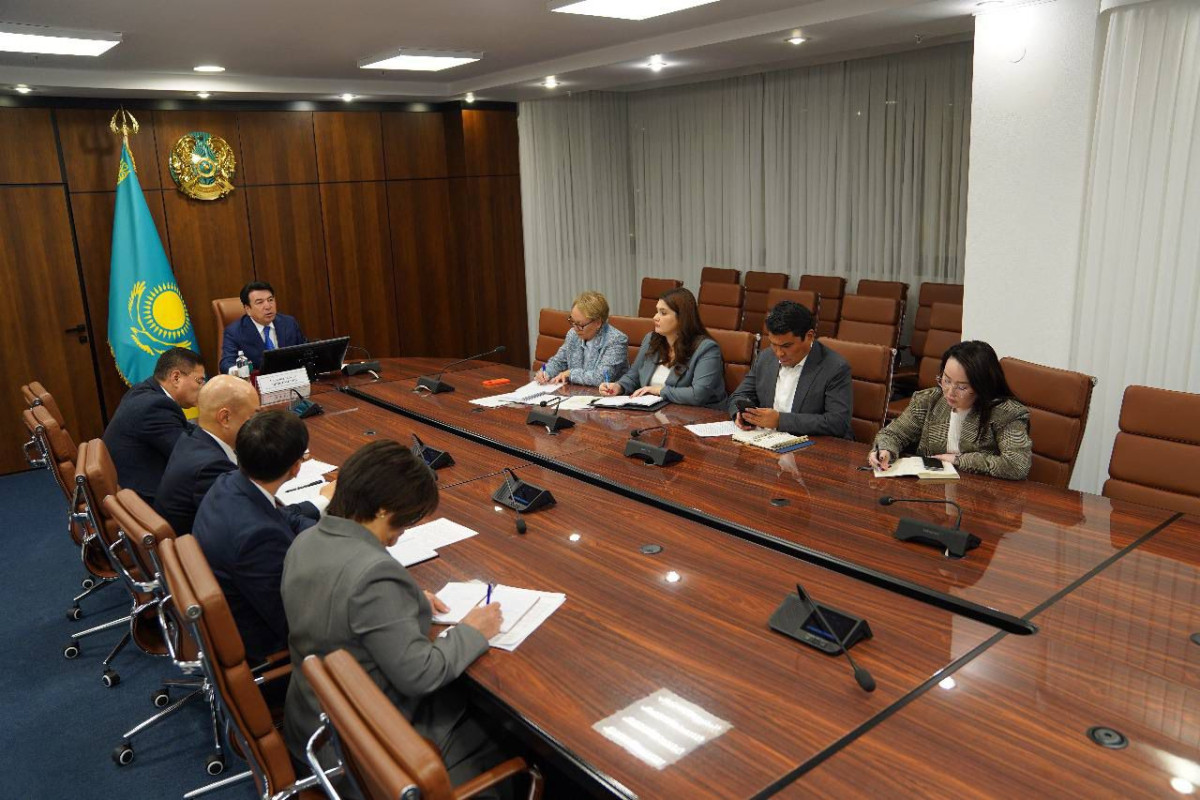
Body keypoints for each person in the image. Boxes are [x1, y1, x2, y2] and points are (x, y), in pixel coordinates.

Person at [282, 440, 505, 798]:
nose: (400, 536)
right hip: (366, 749)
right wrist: (472, 630)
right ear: (384, 510)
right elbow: (422, 674)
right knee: (504, 733)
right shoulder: (375, 574)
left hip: (312, 725)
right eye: (407, 520)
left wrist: (404, 602)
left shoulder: (305, 540)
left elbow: (339, 604)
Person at [192, 410, 334, 663]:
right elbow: (296, 623)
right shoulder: (258, 538)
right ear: (296, 467)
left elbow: (281, 517)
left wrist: (335, 531)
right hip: (267, 650)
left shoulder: (229, 482)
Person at [868, 340, 1032, 480]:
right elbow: (894, 434)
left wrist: (959, 460)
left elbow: (1016, 465)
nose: (949, 392)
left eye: (961, 387)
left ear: (982, 386)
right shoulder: (929, 400)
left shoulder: (1005, 413)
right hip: (931, 490)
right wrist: (885, 450)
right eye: (946, 380)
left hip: (983, 495)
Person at [728, 300, 853, 438]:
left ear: (809, 336)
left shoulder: (835, 368)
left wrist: (780, 420)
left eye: (786, 346)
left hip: (812, 443)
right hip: (766, 439)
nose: (779, 353)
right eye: (773, 344)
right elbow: (738, 396)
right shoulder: (765, 357)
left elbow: (837, 423)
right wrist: (741, 414)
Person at [154, 375, 260, 536]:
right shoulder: (211, 467)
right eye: (253, 417)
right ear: (225, 418)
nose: (258, 425)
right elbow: (250, 522)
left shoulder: (192, 439)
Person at [103, 347, 205, 505]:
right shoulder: (155, 405)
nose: (203, 388)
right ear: (176, 377)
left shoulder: (144, 391)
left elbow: (184, 429)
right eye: (199, 381)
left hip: (133, 486)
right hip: (146, 499)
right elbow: (189, 456)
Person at [598, 287, 726, 407]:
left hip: (700, 415)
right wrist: (619, 386)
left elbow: (698, 395)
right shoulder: (651, 339)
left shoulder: (706, 349)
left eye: (663, 313)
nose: (655, 317)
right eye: (657, 311)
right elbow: (634, 375)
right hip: (657, 411)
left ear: (682, 318)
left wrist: (659, 390)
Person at [535, 290, 629, 387]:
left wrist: (570, 374)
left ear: (598, 323)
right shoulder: (573, 334)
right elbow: (559, 362)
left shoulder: (616, 340)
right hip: (576, 392)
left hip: (606, 394)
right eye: (572, 321)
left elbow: (601, 378)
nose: (575, 328)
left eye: (580, 324)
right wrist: (546, 372)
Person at [219, 280, 307, 374]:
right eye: (260, 302)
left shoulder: (289, 323)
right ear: (248, 309)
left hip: (291, 378)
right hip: (257, 381)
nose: (268, 306)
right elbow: (226, 363)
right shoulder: (234, 332)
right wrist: (241, 371)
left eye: (270, 300)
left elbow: (306, 350)